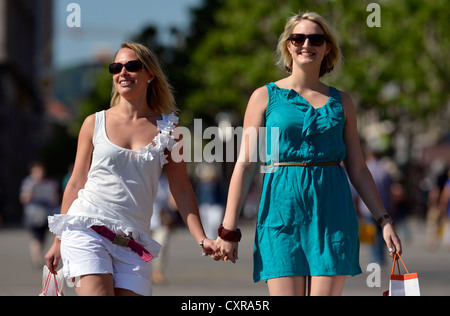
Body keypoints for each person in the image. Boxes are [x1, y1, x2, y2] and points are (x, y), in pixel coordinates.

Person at [215, 12, 402, 296]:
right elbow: (245, 164)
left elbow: (359, 168)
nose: (306, 44)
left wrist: (383, 220)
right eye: (298, 38)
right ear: (288, 46)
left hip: (332, 211)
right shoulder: (263, 97)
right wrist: (229, 230)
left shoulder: (343, 102)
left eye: (316, 39)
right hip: (281, 210)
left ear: (327, 48)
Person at [45, 42, 217, 296]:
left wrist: (202, 239)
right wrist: (58, 240)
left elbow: (181, 189)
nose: (122, 73)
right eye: (116, 67)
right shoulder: (94, 122)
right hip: (87, 231)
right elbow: (76, 182)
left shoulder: (171, 131)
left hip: (133, 242)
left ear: (150, 75)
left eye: (132, 66)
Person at [20, 161, 59, 267]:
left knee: (43, 237)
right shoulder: (28, 183)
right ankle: (36, 258)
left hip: (46, 214)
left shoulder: (49, 183)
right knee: (36, 236)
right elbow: (24, 199)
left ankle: (38, 255)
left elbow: (54, 200)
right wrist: (32, 191)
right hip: (34, 215)